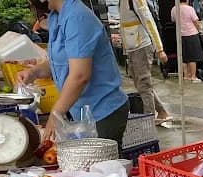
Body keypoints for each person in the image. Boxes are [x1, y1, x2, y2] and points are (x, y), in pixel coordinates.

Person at [19, 0, 129, 147]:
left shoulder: (77, 17)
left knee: (103, 167)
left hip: (102, 111)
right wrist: (34, 72)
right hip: (82, 112)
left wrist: (56, 114)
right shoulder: (57, 16)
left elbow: (80, 76)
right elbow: (60, 62)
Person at [120, 0, 171, 123]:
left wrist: (160, 49)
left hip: (141, 46)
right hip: (133, 47)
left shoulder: (136, 1)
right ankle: (162, 112)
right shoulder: (122, 2)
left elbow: (149, 22)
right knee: (142, 84)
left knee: (143, 84)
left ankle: (149, 119)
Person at [171, 0, 203, 82]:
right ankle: (193, 76)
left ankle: (185, 75)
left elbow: (174, 20)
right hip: (192, 34)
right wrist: (199, 29)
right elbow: (196, 21)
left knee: (183, 57)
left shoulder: (174, 9)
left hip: (180, 35)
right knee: (192, 57)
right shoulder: (190, 9)